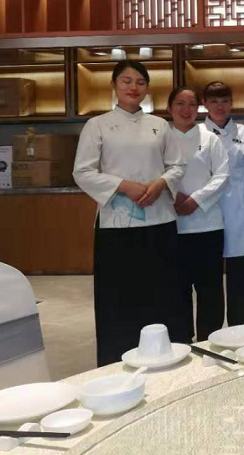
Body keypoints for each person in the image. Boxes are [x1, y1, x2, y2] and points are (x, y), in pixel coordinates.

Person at [73, 60, 185, 366]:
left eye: (140, 82)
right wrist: (123, 186)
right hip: (117, 225)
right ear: (113, 85)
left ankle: (166, 357)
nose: (133, 87)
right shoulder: (97, 125)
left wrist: (160, 184)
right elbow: (82, 172)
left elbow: (177, 166)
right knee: (119, 298)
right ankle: (117, 359)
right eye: (126, 81)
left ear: (147, 88)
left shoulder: (159, 125)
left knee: (163, 292)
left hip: (160, 221)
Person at [168, 86, 230, 341]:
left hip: (208, 224)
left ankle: (210, 340)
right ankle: (181, 340)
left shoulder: (210, 138)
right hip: (172, 224)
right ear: (170, 107)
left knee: (210, 289)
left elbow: (223, 175)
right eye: (180, 104)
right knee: (176, 288)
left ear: (198, 108)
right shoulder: (161, 139)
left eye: (192, 104)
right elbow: (151, 172)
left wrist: (196, 199)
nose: (186, 110)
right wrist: (174, 195)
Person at [202, 81, 244, 327]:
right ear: (205, 104)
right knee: (210, 270)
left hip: (240, 203)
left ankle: (241, 324)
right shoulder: (198, 133)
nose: (220, 106)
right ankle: (211, 328)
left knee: (239, 267)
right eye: (214, 101)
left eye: (225, 101)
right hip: (208, 204)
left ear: (232, 104)